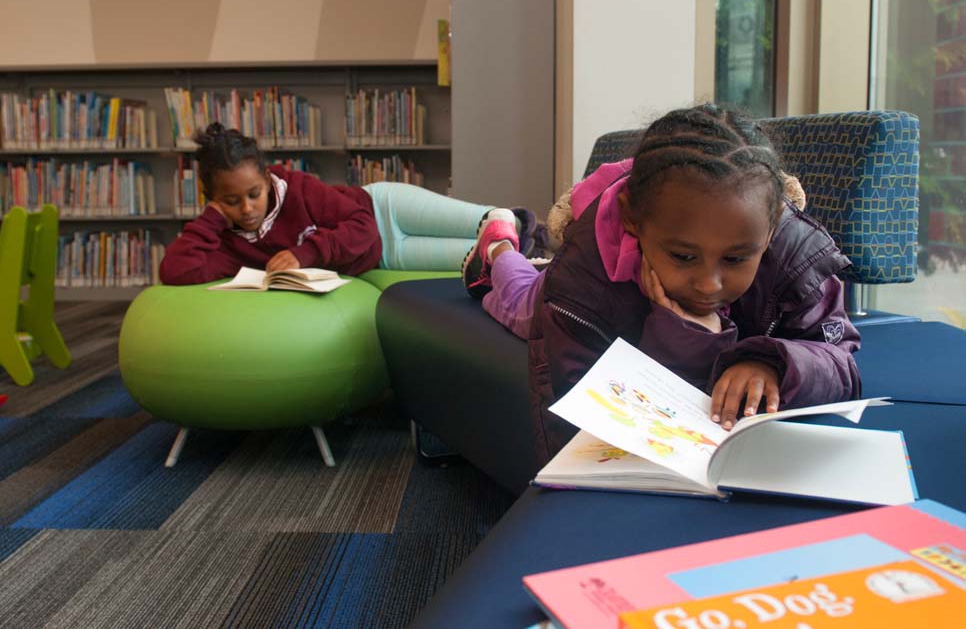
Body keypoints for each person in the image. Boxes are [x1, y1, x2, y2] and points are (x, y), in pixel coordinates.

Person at [461, 104, 861, 463]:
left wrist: (774, 363)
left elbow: (842, 363)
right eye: (684, 256)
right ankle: (499, 245)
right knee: (517, 302)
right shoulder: (580, 285)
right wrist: (688, 338)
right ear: (632, 219)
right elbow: (576, 419)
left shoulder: (796, 255)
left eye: (736, 258)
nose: (708, 284)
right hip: (580, 278)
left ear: (772, 226)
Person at [160, 123, 536, 285]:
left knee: (494, 221)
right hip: (384, 256)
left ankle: (524, 227)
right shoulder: (227, 239)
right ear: (213, 199)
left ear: (265, 179)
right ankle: (530, 254)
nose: (246, 209)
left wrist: (307, 252)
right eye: (230, 201)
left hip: (382, 210)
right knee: (484, 255)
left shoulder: (296, 187)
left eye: (253, 193)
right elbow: (176, 271)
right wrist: (211, 220)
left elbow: (362, 225)